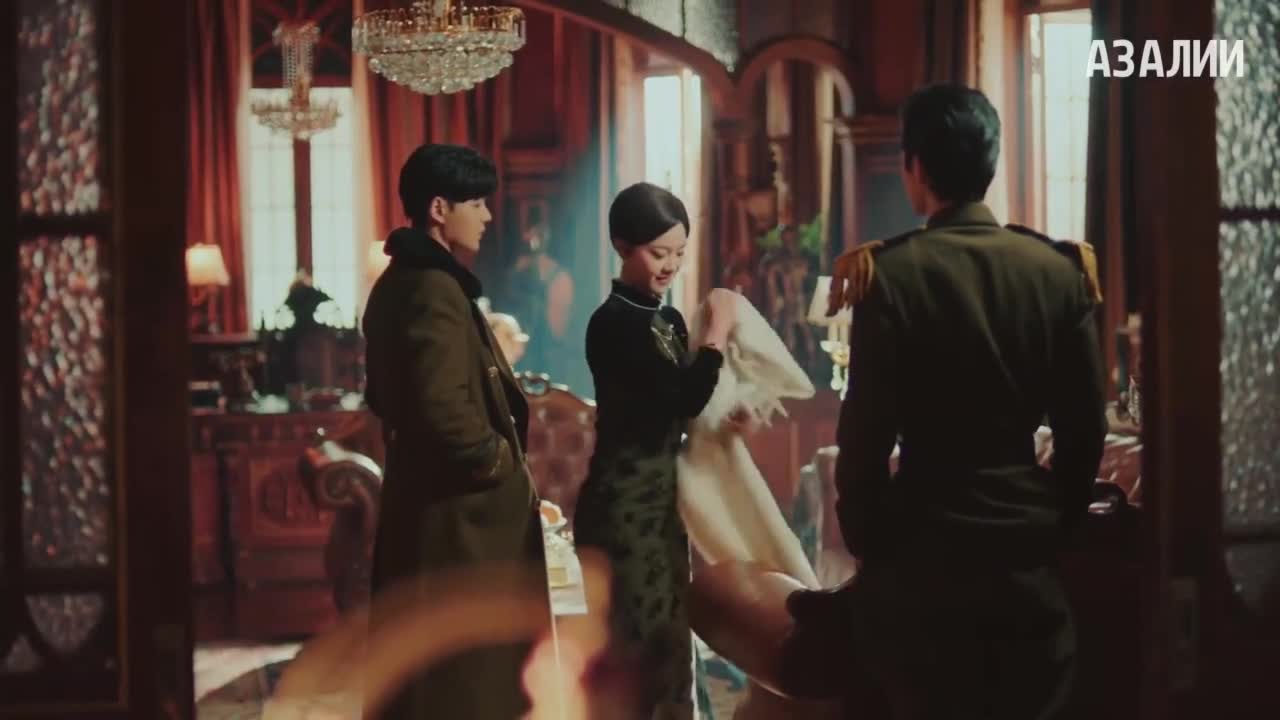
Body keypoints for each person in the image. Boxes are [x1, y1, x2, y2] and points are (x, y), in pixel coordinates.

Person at [820, 83, 1109, 718]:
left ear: (915, 167)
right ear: (992, 163)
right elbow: (1085, 431)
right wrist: (1053, 522)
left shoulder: (890, 274)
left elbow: (863, 440)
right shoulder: (1057, 270)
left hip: (922, 562)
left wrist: (874, 543)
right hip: (1027, 567)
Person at [362, 143, 547, 719]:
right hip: (460, 521)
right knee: (463, 686)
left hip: (438, 512)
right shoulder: (431, 288)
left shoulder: (406, 280)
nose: (488, 216)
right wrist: (498, 461)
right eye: (477, 203)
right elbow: (443, 410)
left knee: (439, 677)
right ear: (439, 209)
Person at [572, 181, 739, 719]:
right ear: (622, 246)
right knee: (638, 648)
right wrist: (717, 335)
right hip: (623, 503)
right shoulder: (612, 322)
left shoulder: (667, 319)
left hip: (661, 498)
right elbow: (684, 399)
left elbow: (688, 405)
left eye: (680, 253)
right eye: (658, 252)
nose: (671, 265)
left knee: (669, 638)